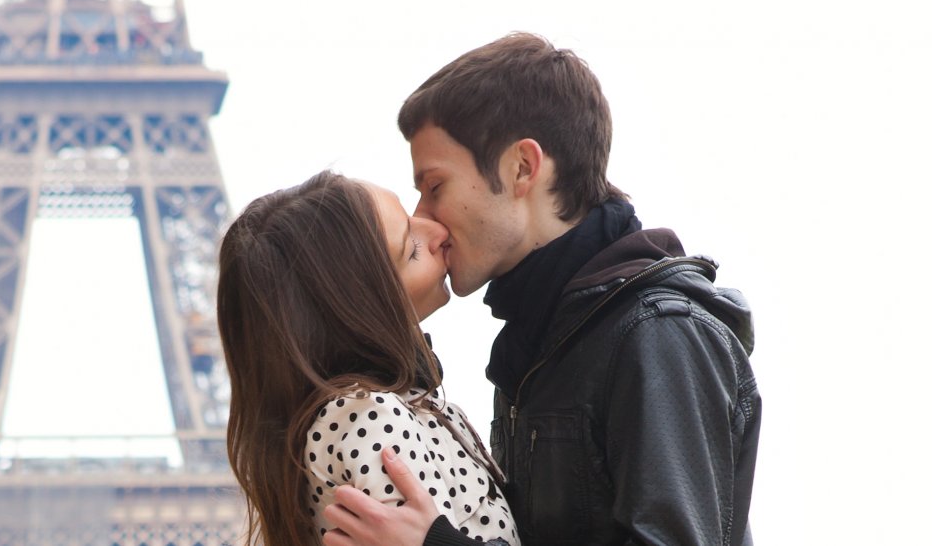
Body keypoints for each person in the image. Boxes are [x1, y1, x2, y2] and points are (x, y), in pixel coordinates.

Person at [324, 33, 761, 546]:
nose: (424, 218)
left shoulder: (659, 333)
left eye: (435, 186)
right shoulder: (539, 345)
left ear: (522, 168)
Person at [216, 170, 521, 546]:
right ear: (353, 311)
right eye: (411, 249)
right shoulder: (370, 414)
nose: (438, 233)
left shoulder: (396, 407)